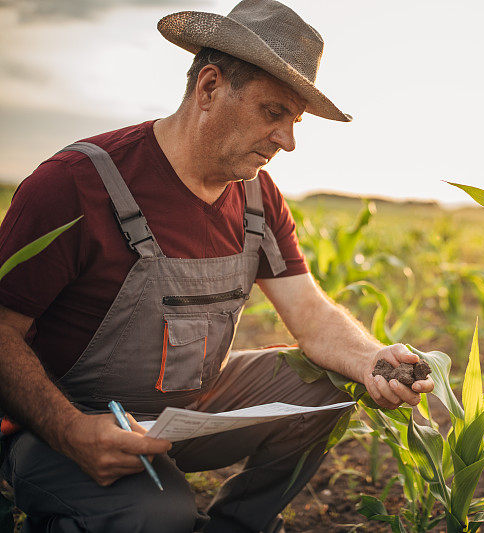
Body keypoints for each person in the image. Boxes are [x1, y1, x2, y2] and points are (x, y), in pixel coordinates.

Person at [0, 1, 434, 531]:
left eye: (294, 122)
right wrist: (69, 430)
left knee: (331, 384)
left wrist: (371, 359)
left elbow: (311, 314)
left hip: (186, 414)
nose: (289, 142)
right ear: (208, 88)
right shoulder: (73, 184)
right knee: (156, 513)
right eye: (273, 113)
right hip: (63, 427)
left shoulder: (256, 197)